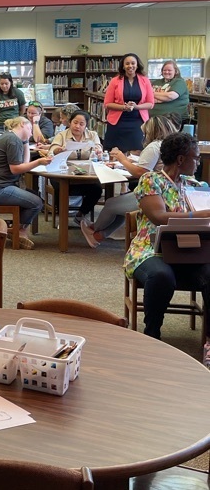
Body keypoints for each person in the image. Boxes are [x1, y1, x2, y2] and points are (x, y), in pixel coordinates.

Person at [124, 131, 210, 339]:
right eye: (196, 158)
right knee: (161, 276)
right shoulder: (150, 180)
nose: (198, 163)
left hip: (191, 249)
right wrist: (200, 214)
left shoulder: (195, 185)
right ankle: (152, 335)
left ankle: (209, 339)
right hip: (151, 250)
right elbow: (159, 216)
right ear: (181, 159)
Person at [80, 116, 179, 248]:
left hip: (153, 192)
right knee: (121, 208)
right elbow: (154, 166)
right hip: (168, 193)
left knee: (110, 204)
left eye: (146, 132)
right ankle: (99, 235)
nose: (143, 135)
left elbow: (140, 172)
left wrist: (122, 159)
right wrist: (133, 162)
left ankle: (93, 231)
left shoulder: (154, 146)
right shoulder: (169, 145)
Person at [0, 116, 52, 249]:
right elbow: (15, 169)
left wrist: (25, 141)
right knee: (36, 202)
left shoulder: (13, 138)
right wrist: (38, 161)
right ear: (22, 124)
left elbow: (24, 163)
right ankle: (19, 231)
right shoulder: (12, 140)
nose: (31, 133)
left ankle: (17, 229)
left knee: (32, 194)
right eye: (30, 128)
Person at [49, 108, 104, 222]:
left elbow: (98, 147)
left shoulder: (92, 135)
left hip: (86, 175)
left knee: (97, 189)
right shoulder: (62, 135)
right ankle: (62, 219)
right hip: (63, 172)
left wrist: (98, 151)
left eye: (81, 124)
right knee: (60, 187)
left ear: (86, 125)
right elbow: (52, 149)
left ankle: (81, 214)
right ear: (70, 122)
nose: (77, 126)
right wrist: (57, 150)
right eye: (75, 122)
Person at [102, 53, 154, 153]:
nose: (130, 66)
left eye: (133, 63)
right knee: (114, 151)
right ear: (123, 66)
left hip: (138, 121)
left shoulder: (145, 80)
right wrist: (124, 107)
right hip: (117, 122)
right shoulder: (114, 81)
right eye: (127, 63)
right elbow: (107, 103)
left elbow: (150, 103)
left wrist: (136, 107)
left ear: (137, 65)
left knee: (137, 150)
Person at [149, 59, 189, 127]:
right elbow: (147, 98)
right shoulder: (156, 82)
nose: (166, 72)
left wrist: (152, 94)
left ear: (175, 71)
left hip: (172, 121)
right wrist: (162, 98)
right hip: (153, 119)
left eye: (169, 70)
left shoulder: (179, 82)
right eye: (164, 70)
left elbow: (170, 96)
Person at [0, 73, 25, 141]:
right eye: (1, 84)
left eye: (6, 83)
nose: (4, 86)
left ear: (11, 82)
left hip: (13, 126)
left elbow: (22, 108)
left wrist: (16, 119)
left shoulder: (18, 93)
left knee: (14, 146)